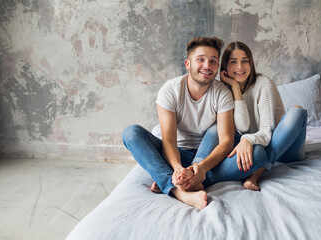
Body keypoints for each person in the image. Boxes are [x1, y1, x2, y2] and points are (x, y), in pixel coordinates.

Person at [122, 36, 237, 209]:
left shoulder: (222, 93)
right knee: (131, 133)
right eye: (201, 60)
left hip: (208, 158)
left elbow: (226, 140)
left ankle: (177, 180)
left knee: (257, 155)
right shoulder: (171, 90)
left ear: (217, 67)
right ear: (188, 64)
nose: (207, 65)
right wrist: (177, 169)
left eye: (213, 61)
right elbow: (168, 140)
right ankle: (178, 190)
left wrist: (202, 167)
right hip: (176, 154)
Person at [197, 41, 308, 191]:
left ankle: (255, 174)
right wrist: (236, 88)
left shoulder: (264, 84)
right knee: (215, 129)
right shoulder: (224, 90)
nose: (240, 67)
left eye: (245, 61)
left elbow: (267, 132)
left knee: (297, 112)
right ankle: (193, 170)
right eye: (233, 62)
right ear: (225, 67)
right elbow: (243, 128)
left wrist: (247, 139)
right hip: (255, 150)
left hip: (284, 148)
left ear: (251, 64)